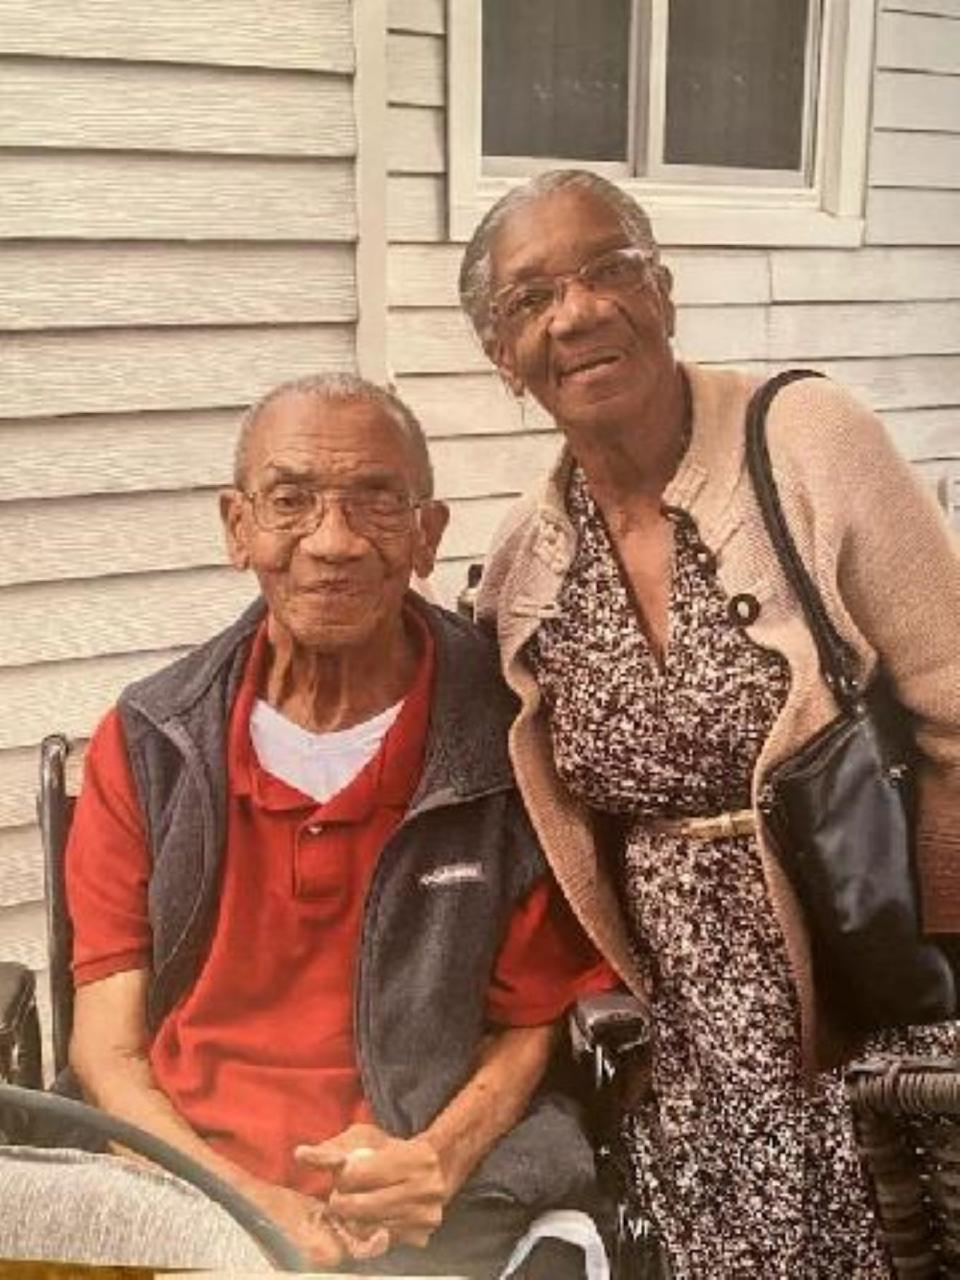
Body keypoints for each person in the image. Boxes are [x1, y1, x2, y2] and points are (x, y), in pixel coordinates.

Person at [457, 168, 960, 1278]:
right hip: (682, 1046)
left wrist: (931, 971)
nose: (579, 310)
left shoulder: (807, 440)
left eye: (609, 269)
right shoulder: (527, 564)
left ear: (664, 291)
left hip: (865, 996)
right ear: (503, 356)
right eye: (533, 298)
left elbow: (957, 715)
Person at [64, 372, 614, 1278]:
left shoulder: (506, 736)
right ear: (237, 528)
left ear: (427, 535)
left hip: (431, 1178)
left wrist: (438, 1156)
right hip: (192, 1171)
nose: (332, 542)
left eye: (376, 503)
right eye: (291, 502)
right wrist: (242, 1203)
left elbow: (533, 1021)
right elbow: (108, 1047)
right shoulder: (150, 741)